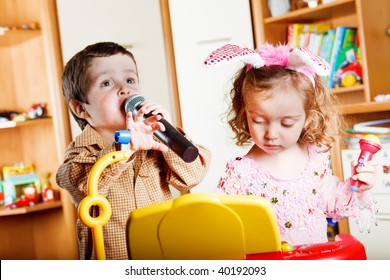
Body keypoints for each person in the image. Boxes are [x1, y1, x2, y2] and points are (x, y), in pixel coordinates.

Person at [204, 43, 378, 246]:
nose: (271, 134)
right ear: (245, 114)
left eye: (286, 123)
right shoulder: (240, 172)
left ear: (307, 119)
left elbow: (334, 202)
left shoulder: (314, 158)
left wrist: (359, 187)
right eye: (259, 121)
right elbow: (223, 226)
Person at [57, 42, 211, 259]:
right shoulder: (81, 152)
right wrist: (124, 148)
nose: (125, 89)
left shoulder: (155, 135)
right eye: (107, 83)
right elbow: (78, 183)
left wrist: (169, 135)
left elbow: (193, 177)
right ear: (81, 108)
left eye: (130, 80)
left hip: (162, 254)